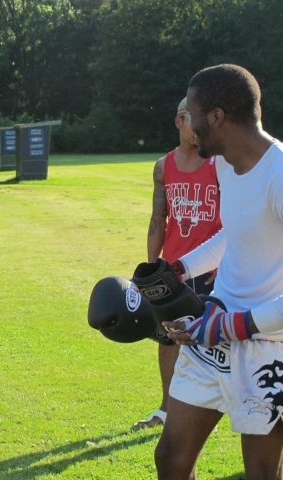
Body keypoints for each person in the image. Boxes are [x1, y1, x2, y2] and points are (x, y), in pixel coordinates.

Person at [153, 64, 283, 480]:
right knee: (171, 458)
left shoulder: (279, 175)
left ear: (216, 117)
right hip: (214, 330)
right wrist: (180, 267)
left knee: (261, 472)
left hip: (268, 346)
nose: (187, 124)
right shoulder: (225, 164)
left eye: (191, 114)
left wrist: (234, 325)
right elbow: (235, 231)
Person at [134, 98, 222, 429]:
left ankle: (218, 407)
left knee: (216, 340)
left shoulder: (219, 163)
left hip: (212, 270)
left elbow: (234, 222)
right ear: (178, 121)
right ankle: (166, 409)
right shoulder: (163, 167)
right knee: (168, 339)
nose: (199, 126)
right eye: (192, 118)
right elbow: (158, 218)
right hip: (173, 269)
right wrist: (151, 269)